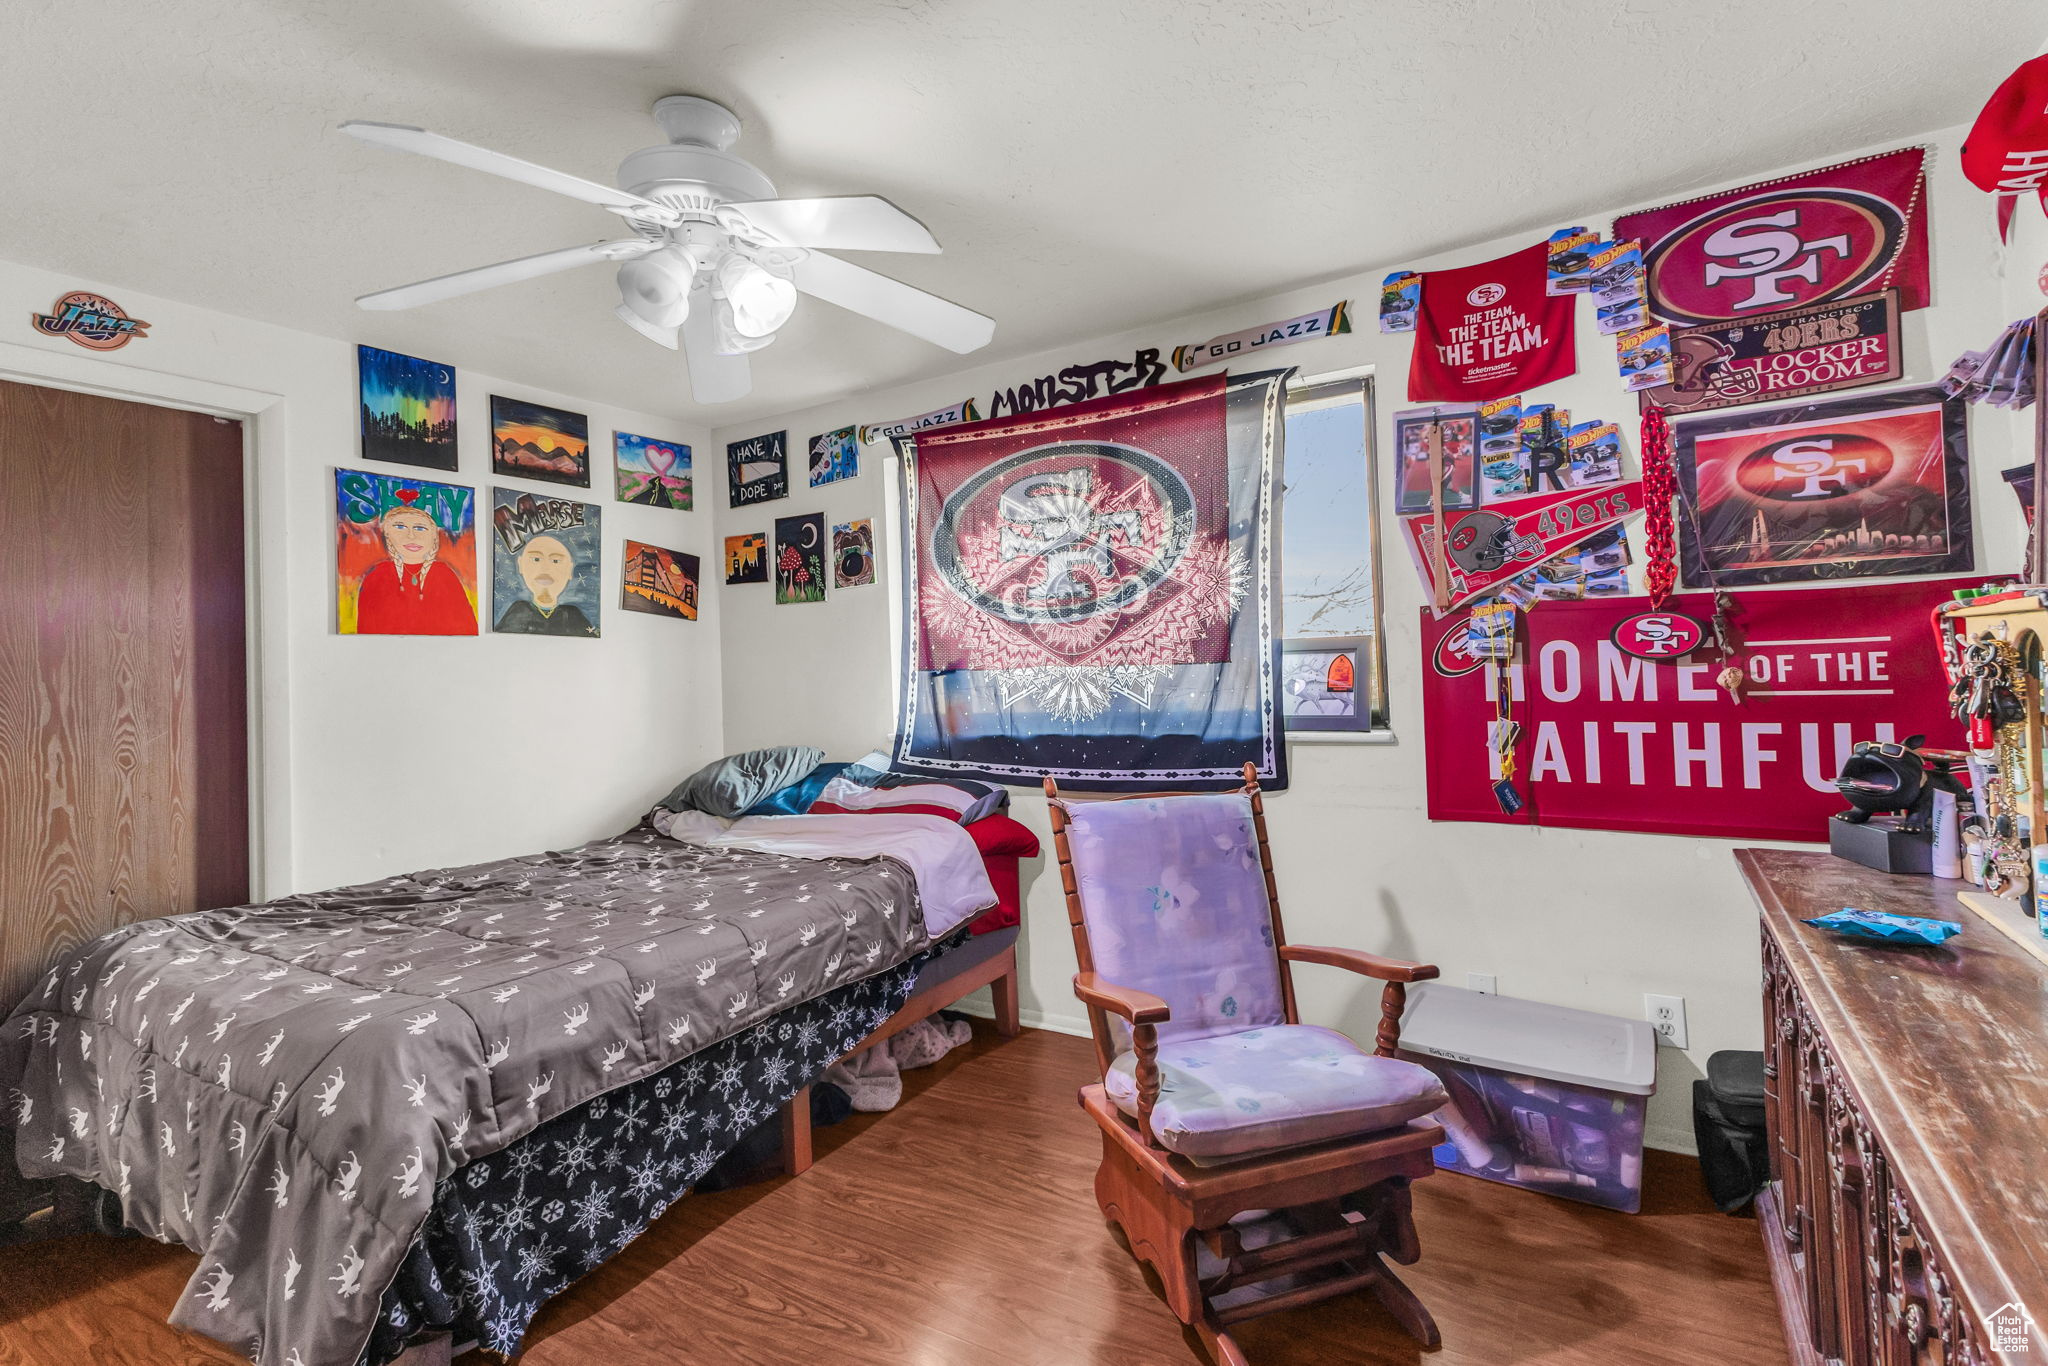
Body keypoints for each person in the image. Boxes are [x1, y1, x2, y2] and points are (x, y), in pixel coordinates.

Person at [353, 490, 476, 635]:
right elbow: (366, 631)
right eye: (400, 527)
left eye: (420, 528)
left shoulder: (444, 574)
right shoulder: (377, 575)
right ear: (387, 535)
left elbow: (467, 628)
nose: (411, 536)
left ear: (433, 537)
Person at [495, 533, 596, 636]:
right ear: (521, 565)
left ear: (569, 570)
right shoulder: (517, 613)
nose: (545, 568)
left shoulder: (574, 616)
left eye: (556, 561)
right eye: (536, 559)